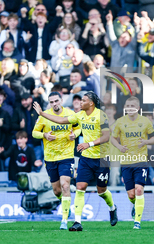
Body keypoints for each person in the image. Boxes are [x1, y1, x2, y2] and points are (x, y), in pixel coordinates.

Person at [33, 91, 118, 231]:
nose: (80, 102)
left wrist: (88, 143)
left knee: (101, 191)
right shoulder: (79, 115)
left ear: (91, 103)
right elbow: (60, 120)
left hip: (102, 158)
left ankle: (112, 207)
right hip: (86, 158)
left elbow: (106, 137)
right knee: (80, 188)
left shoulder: (101, 116)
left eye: (83, 100)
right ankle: (77, 222)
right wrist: (42, 114)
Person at [32, 92, 81, 230]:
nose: (54, 104)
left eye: (56, 101)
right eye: (51, 102)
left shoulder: (70, 113)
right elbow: (34, 133)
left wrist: (74, 135)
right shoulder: (44, 116)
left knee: (66, 186)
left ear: (61, 100)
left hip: (66, 156)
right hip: (50, 158)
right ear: (49, 103)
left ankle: (64, 220)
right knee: (57, 190)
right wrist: (44, 135)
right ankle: (64, 204)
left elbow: (78, 128)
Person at [111, 96, 154, 229]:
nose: (130, 108)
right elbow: (113, 138)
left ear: (138, 108)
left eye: (132, 106)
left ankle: (137, 222)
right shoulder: (120, 122)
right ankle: (135, 205)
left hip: (141, 160)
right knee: (131, 194)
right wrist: (119, 147)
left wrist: (146, 142)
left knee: (139, 189)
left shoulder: (145, 121)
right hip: (126, 162)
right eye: (128, 106)